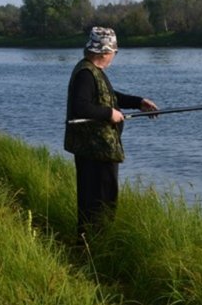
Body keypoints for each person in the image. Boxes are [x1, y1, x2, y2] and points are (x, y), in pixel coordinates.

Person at [64, 26, 158, 239]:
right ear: (105, 52)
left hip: (97, 150)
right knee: (99, 203)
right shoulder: (86, 74)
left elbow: (109, 95)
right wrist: (110, 114)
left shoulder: (92, 72)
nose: (114, 55)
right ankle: (95, 245)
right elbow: (81, 106)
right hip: (95, 151)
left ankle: (92, 243)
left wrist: (138, 102)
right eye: (114, 51)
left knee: (99, 201)